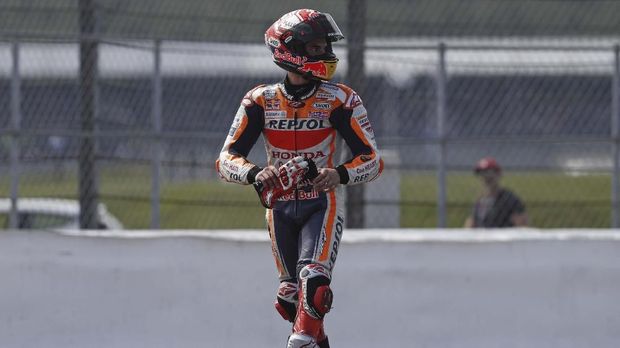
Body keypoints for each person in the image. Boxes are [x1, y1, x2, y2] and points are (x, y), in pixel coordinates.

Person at [215, 9, 383, 348]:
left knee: (314, 283)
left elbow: (373, 160)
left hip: (321, 205)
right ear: (292, 50)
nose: (326, 55)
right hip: (278, 209)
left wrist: (337, 174)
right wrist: (254, 173)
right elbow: (224, 159)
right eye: (318, 47)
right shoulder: (259, 100)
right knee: (290, 298)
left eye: (326, 47)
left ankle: (300, 341)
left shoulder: (342, 100)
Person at [464, 157, 528, 228]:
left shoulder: (509, 199)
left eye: (489, 173)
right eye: (482, 174)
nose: (486, 177)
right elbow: (471, 224)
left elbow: (522, 226)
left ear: (498, 175)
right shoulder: (480, 201)